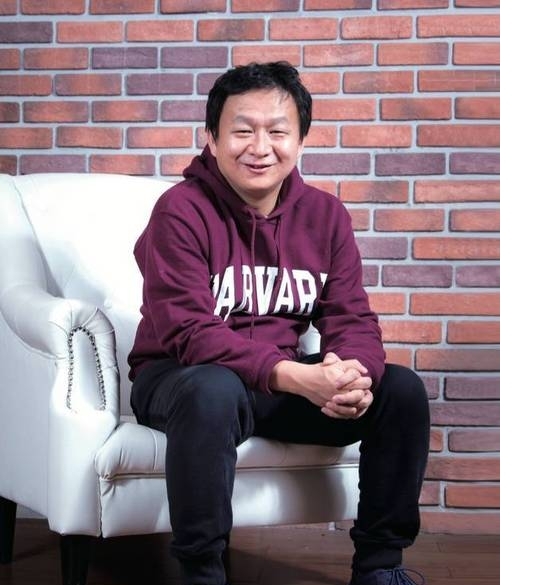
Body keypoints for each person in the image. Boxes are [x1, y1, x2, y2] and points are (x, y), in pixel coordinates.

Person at [128, 61, 430, 585]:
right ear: (212, 138)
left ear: (301, 141)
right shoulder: (179, 211)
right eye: (242, 130)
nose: (260, 147)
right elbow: (189, 332)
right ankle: (202, 573)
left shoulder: (325, 216)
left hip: (275, 383)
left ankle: (380, 567)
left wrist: (353, 375)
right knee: (213, 390)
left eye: (277, 132)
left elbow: (351, 315)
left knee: (399, 390)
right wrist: (297, 377)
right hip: (179, 378)